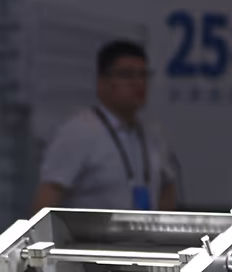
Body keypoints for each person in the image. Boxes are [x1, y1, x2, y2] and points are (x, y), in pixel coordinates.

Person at [33, 40, 178, 212]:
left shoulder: (153, 133)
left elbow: (167, 186)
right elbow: (49, 194)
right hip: (91, 230)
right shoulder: (78, 132)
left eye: (143, 74)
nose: (138, 83)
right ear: (102, 82)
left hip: (143, 230)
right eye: (127, 75)